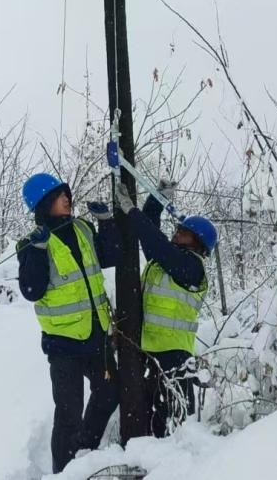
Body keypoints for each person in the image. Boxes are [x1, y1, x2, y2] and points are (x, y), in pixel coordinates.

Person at [15, 171, 122, 472]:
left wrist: (107, 222)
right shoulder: (31, 244)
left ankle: (84, 452)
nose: (67, 198)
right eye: (59, 195)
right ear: (44, 203)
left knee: (110, 393)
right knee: (68, 415)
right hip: (63, 346)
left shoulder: (84, 228)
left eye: (66, 193)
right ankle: (63, 473)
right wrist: (36, 252)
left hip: (97, 336)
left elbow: (110, 256)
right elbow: (32, 290)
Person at [108, 143, 217, 437]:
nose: (176, 233)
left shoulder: (191, 267)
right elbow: (152, 239)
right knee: (150, 411)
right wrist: (156, 201)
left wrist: (131, 212)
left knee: (173, 414)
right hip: (152, 348)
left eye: (183, 232)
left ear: (197, 242)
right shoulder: (166, 262)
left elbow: (155, 243)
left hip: (174, 353)